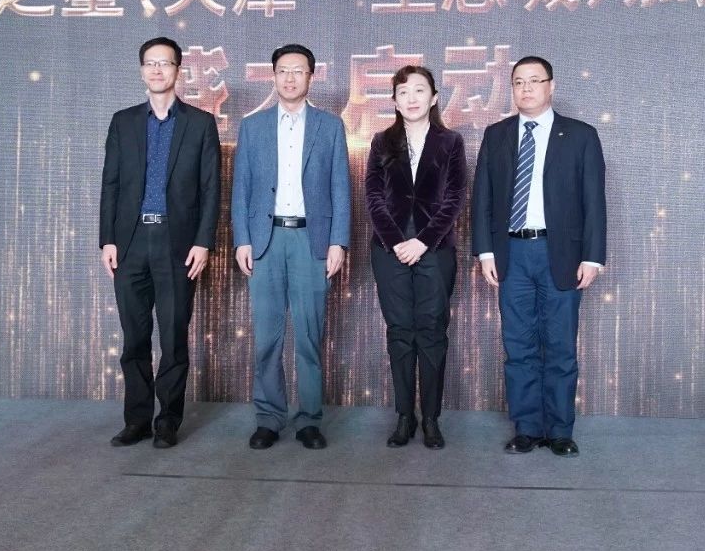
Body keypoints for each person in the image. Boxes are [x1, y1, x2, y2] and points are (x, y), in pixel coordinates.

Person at [471, 55, 606, 456]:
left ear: (551, 86)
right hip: (511, 252)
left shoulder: (580, 135)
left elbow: (594, 201)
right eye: (518, 82)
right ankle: (527, 428)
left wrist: (593, 257)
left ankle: (560, 430)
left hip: (560, 254)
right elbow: (482, 198)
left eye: (534, 80)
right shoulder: (496, 135)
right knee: (519, 346)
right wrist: (485, 251)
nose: (525, 88)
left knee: (560, 346)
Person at [99, 36, 221, 449]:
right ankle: (136, 420)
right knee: (134, 337)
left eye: (165, 63)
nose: (157, 69)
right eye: (150, 63)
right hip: (130, 243)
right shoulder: (123, 122)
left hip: (177, 242)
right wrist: (107, 240)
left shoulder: (200, 124)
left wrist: (203, 242)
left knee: (172, 336)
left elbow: (211, 189)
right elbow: (110, 184)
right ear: (141, 71)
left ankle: (167, 419)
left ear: (177, 71)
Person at [231, 43, 351, 450]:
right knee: (267, 337)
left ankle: (309, 420)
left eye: (298, 70)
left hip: (310, 241)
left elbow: (340, 187)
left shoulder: (329, 126)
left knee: (309, 337)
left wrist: (338, 242)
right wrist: (242, 239)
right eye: (283, 70)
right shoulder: (253, 126)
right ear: (273, 75)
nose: (290, 77)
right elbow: (242, 188)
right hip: (265, 241)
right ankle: (268, 418)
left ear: (311, 76)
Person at [364, 66, 466, 450]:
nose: (411, 98)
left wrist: (422, 241)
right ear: (394, 101)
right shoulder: (381, 142)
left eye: (419, 90)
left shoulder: (451, 142)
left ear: (434, 97)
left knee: (432, 331)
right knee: (400, 331)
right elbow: (373, 196)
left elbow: (455, 197)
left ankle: (431, 419)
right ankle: (404, 416)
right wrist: (396, 241)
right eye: (403, 92)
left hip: (434, 249)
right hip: (388, 250)